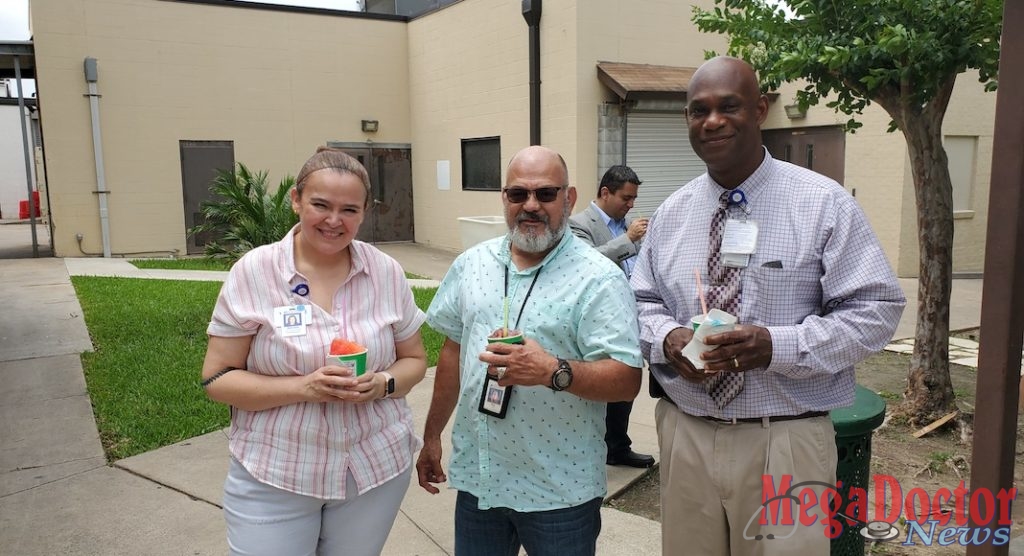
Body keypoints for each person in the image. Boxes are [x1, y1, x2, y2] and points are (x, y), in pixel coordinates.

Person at [631, 57, 905, 555]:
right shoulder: (671, 214)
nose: (712, 121)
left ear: (759, 110)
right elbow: (640, 299)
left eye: (728, 106)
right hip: (686, 435)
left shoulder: (823, 204)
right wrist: (666, 339)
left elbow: (876, 309)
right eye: (698, 111)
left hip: (786, 442)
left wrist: (775, 345)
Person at [416, 145, 643, 556]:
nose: (531, 205)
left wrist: (552, 371)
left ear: (569, 198)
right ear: (505, 198)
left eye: (546, 194)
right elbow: (452, 350)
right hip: (479, 479)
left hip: (559, 492)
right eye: (518, 194)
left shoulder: (599, 279)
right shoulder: (471, 264)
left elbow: (626, 380)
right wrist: (432, 435)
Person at [200, 147, 428, 556]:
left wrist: (382, 383)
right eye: (320, 205)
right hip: (278, 470)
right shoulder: (255, 272)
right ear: (296, 200)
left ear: (364, 212)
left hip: (373, 469)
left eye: (349, 210)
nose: (333, 221)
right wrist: (304, 387)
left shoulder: (385, 272)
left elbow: (414, 360)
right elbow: (217, 379)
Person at [568, 165, 655, 468]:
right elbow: (585, 262)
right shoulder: (578, 224)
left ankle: (617, 446)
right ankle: (593, 446)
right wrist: (628, 239)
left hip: (630, 315)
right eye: (626, 198)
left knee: (625, 383)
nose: (631, 204)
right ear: (605, 193)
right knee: (599, 385)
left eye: (633, 199)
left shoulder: (627, 225)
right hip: (599, 318)